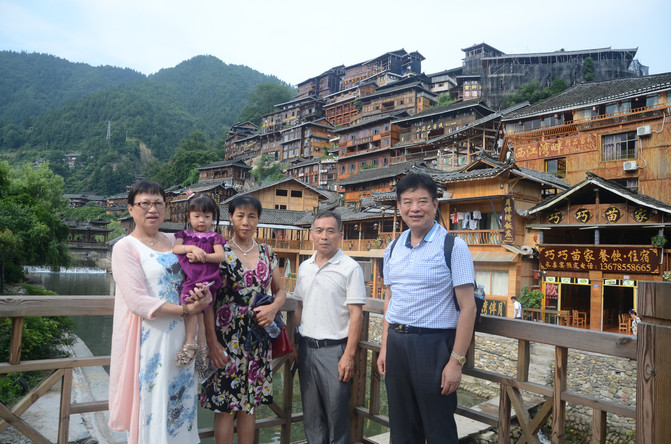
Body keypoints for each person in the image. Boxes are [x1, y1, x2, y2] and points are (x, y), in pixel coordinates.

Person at [108, 180, 213, 444]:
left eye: (158, 203)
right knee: (153, 405)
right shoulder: (125, 247)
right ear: (131, 209)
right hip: (151, 341)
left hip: (184, 341)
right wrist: (187, 309)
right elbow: (137, 301)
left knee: (182, 408)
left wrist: (205, 295)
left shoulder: (176, 240)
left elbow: (200, 272)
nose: (152, 209)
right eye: (145, 203)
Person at [377, 173, 476, 444]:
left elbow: (468, 308)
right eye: (407, 202)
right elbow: (390, 298)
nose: (415, 208)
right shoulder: (393, 248)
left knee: (438, 429)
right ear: (399, 207)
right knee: (401, 428)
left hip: (434, 345)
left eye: (422, 201)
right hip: (397, 343)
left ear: (435, 205)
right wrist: (385, 346)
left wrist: (455, 362)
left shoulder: (453, 246)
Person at [201, 195, 286, 444]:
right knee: (226, 407)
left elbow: (280, 290)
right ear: (231, 218)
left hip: (258, 338)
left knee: (250, 405)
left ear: (258, 219)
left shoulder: (267, 252)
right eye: (240, 216)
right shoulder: (220, 253)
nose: (246, 222)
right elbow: (208, 302)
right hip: (226, 339)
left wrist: (273, 308)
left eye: (251, 216)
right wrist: (212, 342)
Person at [292, 211, 366, 444]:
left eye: (330, 231)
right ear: (312, 234)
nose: (324, 236)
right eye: (319, 230)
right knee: (312, 417)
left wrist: (349, 355)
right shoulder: (305, 267)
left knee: (336, 418)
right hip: (306, 349)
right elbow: (299, 307)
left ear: (340, 235)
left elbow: (356, 314)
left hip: (335, 352)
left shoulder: (350, 268)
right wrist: (294, 344)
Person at [172, 194, 227, 370]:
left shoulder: (214, 237)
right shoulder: (184, 235)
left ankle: (190, 343)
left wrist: (202, 257)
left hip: (205, 279)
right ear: (188, 217)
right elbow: (175, 248)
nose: (201, 220)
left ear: (213, 218)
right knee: (199, 312)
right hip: (191, 277)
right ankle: (202, 348)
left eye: (207, 216)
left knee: (191, 305)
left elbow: (220, 256)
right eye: (197, 216)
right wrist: (192, 247)